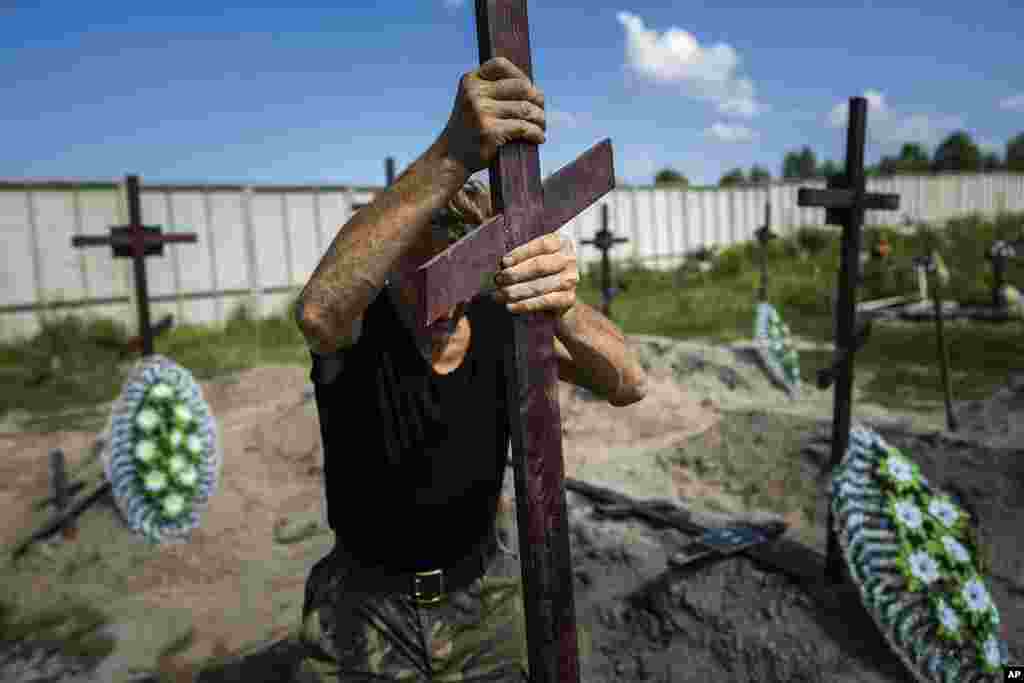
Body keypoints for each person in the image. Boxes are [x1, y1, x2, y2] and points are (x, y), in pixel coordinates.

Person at [293, 56, 648, 682]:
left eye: (460, 269)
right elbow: (319, 313)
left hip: (483, 597)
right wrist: (455, 149)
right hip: (364, 607)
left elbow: (627, 381)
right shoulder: (359, 328)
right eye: (418, 273)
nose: (440, 297)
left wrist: (559, 303)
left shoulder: (496, 322)